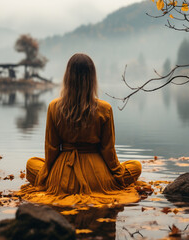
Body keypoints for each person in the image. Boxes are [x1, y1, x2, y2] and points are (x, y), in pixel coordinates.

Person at [21, 53, 142, 206]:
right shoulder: (105, 108)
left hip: (62, 176)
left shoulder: (54, 107)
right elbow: (107, 150)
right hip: (97, 178)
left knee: (32, 164)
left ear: (67, 77)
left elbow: (51, 148)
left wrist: (47, 174)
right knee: (135, 167)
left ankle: (53, 180)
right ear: (92, 79)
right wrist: (117, 174)